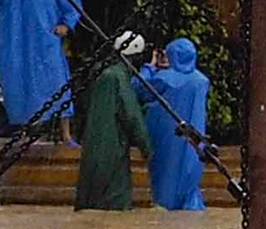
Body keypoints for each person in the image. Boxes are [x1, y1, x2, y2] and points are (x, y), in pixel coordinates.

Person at [0, 0, 85, 131]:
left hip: (47, 44)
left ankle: (66, 134)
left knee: (59, 85)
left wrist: (66, 25)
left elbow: (73, 2)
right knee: (25, 85)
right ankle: (27, 132)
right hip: (21, 44)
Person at [139, 35, 213, 214]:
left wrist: (149, 67)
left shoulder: (164, 78)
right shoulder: (201, 81)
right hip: (194, 140)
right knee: (189, 172)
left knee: (165, 180)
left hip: (167, 138)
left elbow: (139, 88)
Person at [76, 32, 150, 210]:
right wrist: (147, 148)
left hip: (91, 147)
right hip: (113, 149)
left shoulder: (100, 72)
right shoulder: (118, 78)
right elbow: (132, 116)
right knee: (115, 207)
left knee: (90, 206)